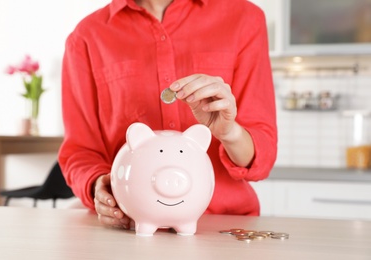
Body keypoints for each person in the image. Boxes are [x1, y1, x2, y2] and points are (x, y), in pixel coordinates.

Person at [59, 0, 277, 230]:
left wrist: (229, 132)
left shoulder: (245, 18)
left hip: (223, 226)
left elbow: (260, 159)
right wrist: (97, 185)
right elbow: (80, 152)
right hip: (131, 226)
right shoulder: (87, 36)